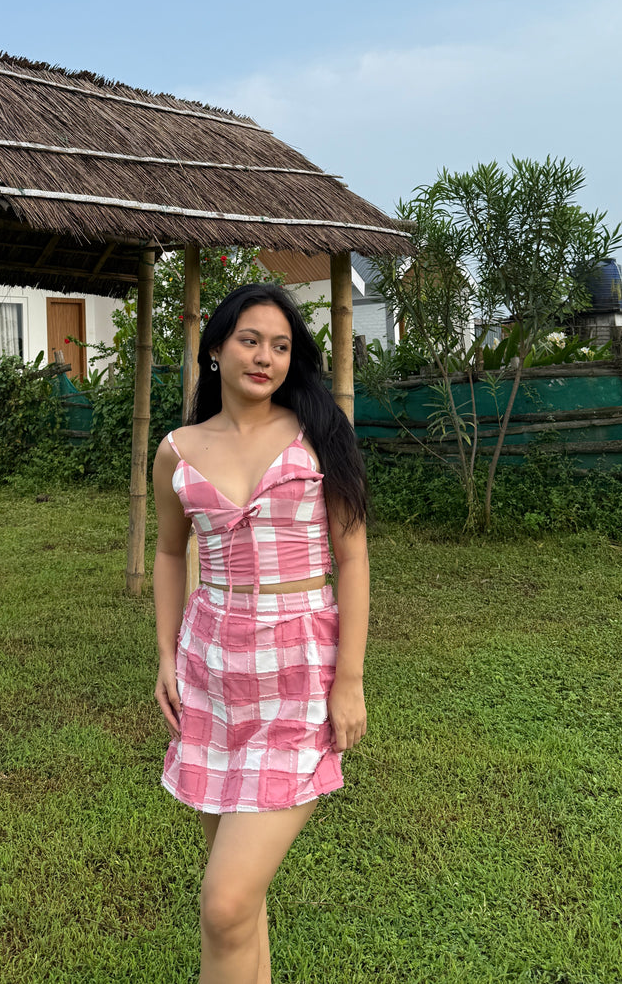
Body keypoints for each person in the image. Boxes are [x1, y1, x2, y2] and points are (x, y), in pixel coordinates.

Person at [153, 282, 370, 984]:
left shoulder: (318, 433)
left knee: (224, 902)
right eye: (250, 339)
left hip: (298, 672)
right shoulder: (177, 451)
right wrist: (164, 653)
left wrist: (350, 679)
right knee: (241, 909)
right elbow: (166, 552)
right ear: (216, 348)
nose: (266, 356)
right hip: (212, 674)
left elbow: (353, 556)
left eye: (281, 345)